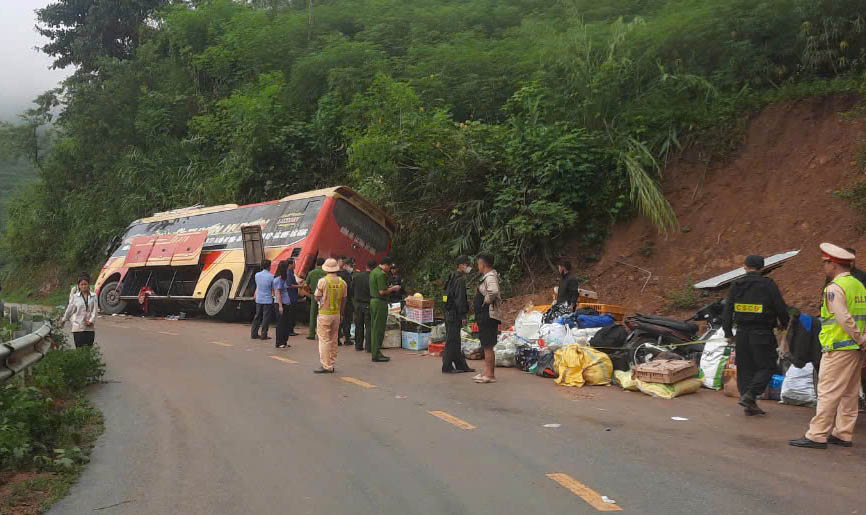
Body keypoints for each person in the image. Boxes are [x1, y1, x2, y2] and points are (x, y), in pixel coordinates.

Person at [790, 243, 866, 449]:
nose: (824, 267)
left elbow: (844, 318)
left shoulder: (834, 288)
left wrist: (861, 339)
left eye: (825, 263)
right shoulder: (858, 286)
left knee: (827, 391)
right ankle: (843, 433)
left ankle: (817, 435)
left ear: (833, 264)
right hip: (855, 350)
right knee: (850, 393)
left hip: (839, 347)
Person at [721, 255, 789, 416]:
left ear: (745, 266)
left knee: (745, 369)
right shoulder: (768, 284)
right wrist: (784, 324)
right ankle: (750, 396)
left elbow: (727, 310)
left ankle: (749, 403)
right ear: (762, 267)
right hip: (762, 333)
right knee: (768, 366)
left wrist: (728, 332)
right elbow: (780, 307)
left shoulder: (736, 285)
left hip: (742, 333)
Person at [442, 255, 475, 374]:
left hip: (448, 312)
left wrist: (446, 308)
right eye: (467, 265)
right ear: (461, 265)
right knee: (452, 341)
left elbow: (446, 296)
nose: (469, 267)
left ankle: (461, 365)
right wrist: (463, 316)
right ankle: (446, 366)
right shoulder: (459, 279)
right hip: (454, 314)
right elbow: (460, 299)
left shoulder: (451, 277)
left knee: (455, 340)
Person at [313, 258, 347, 374]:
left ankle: (326, 365)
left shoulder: (323, 281)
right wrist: (342, 313)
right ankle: (331, 363)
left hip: (324, 314)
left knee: (324, 340)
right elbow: (344, 299)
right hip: (336, 314)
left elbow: (316, 297)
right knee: (333, 339)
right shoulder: (342, 282)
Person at [474, 254, 502, 384]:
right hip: (484, 315)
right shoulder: (487, 276)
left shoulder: (490, 276)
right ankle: (486, 371)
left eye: (478, 264)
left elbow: (493, 291)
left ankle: (490, 375)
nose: (477, 266)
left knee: (488, 345)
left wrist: (486, 301)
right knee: (485, 344)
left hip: (488, 315)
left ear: (483, 265)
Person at [369, 257, 401, 362]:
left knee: (374, 328)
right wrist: (393, 288)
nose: (389, 269)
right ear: (386, 265)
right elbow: (382, 291)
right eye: (389, 267)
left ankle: (375, 351)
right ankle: (376, 353)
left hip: (373, 301)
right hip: (380, 303)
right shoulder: (381, 274)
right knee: (379, 329)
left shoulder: (373, 272)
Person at [62, 274, 98, 348]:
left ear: (88, 285)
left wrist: (90, 321)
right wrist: (64, 319)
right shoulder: (75, 297)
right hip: (78, 327)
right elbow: (70, 309)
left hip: (89, 328)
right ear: (78, 285)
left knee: (88, 350)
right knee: (79, 350)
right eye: (82, 284)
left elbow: (95, 311)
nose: (84, 286)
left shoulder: (94, 296)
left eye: (85, 284)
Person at [353, 260, 375, 352]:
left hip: (358, 304)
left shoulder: (357, 276)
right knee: (369, 326)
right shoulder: (373, 277)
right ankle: (368, 347)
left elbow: (352, 289)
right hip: (368, 304)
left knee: (358, 325)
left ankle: (358, 345)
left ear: (366, 266)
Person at [273, 260, 294, 349]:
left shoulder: (283, 279)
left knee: (286, 323)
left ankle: (284, 341)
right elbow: (277, 293)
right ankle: (279, 342)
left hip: (287, 303)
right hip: (280, 304)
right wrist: (280, 305)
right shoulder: (278, 280)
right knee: (281, 324)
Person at [251, 260, 275, 340]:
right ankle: (264, 335)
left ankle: (254, 334)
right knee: (266, 318)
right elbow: (272, 289)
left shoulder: (257, 275)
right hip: (267, 299)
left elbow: (258, 286)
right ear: (269, 266)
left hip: (259, 298)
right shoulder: (271, 276)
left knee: (257, 316)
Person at [305, 257, 326, 340]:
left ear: (316, 263)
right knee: (323, 316)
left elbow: (306, 285)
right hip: (324, 297)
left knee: (313, 315)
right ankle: (322, 334)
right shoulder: (326, 273)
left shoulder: (311, 273)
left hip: (314, 296)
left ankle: (311, 334)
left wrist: (310, 292)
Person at [337, 257, 354, 346]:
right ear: (346, 266)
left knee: (338, 320)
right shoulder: (347, 276)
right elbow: (350, 289)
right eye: (351, 266)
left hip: (336, 301)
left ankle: (337, 339)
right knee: (347, 320)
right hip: (347, 300)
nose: (352, 268)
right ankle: (347, 339)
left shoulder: (336, 275)